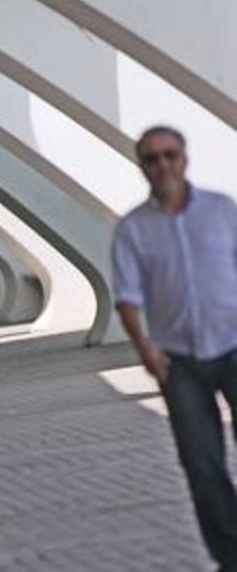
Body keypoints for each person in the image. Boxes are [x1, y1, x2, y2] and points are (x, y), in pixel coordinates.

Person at [111, 125, 237, 571]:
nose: (162, 164)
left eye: (170, 154)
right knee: (202, 465)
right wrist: (144, 348)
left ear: (185, 158)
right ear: (141, 167)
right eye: (151, 158)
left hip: (233, 345)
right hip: (178, 360)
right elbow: (127, 296)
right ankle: (230, 555)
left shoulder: (223, 211)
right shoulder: (132, 230)